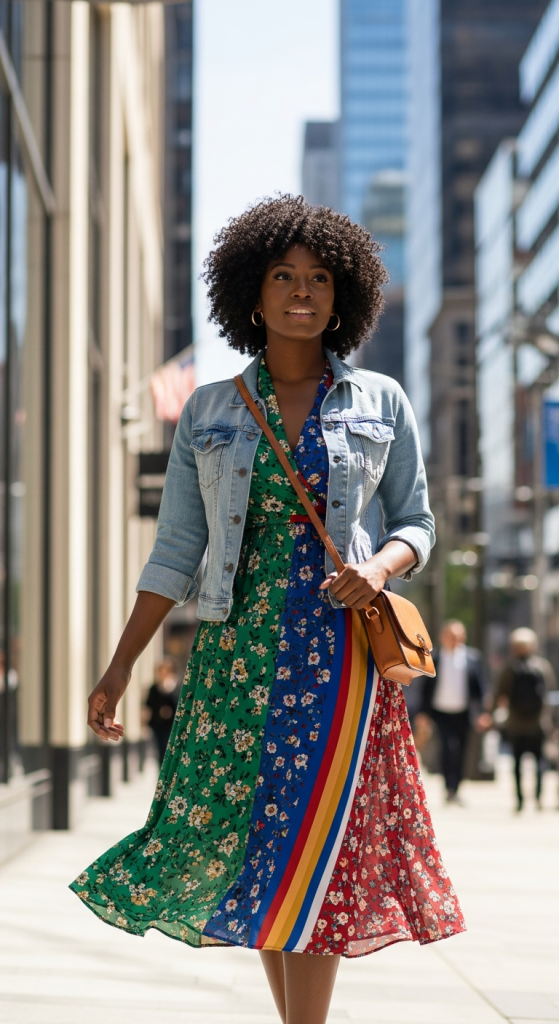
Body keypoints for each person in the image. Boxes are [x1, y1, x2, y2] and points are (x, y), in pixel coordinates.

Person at [70, 195, 465, 1024]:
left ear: (342, 295)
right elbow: (176, 551)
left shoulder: (381, 400)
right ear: (251, 293)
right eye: (283, 276)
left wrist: (380, 565)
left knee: (316, 839)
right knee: (263, 849)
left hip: (341, 655)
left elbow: (416, 522)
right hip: (235, 654)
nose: (301, 291)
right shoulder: (210, 409)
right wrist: (121, 663)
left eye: (319, 278)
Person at [416, 620, 485, 804]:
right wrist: (423, 713)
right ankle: (449, 789)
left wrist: (482, 713)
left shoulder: (472, 658)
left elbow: (480, 689)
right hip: (441, 712)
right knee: (448, 749)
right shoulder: (434, 657)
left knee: (462, 751)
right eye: (451, 636)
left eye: (458, 636)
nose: (455, 640)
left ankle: (456, 788)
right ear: (443, 637)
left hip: (464, 713)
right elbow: (425, 688)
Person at [494, 627, 556, 812]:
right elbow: (550, 694)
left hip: (517, 723)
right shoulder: (542, 666)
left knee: (518, 764)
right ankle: (537, 798)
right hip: (537, 723)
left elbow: (500, 694)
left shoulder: (510, 668)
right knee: (539, 764)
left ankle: (521, 800)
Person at [145, 659, 180, 765]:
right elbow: (149, 705)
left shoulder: (177, 687)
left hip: (173, 725)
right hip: (158, 725)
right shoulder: (154, 688)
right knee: (161, 751)